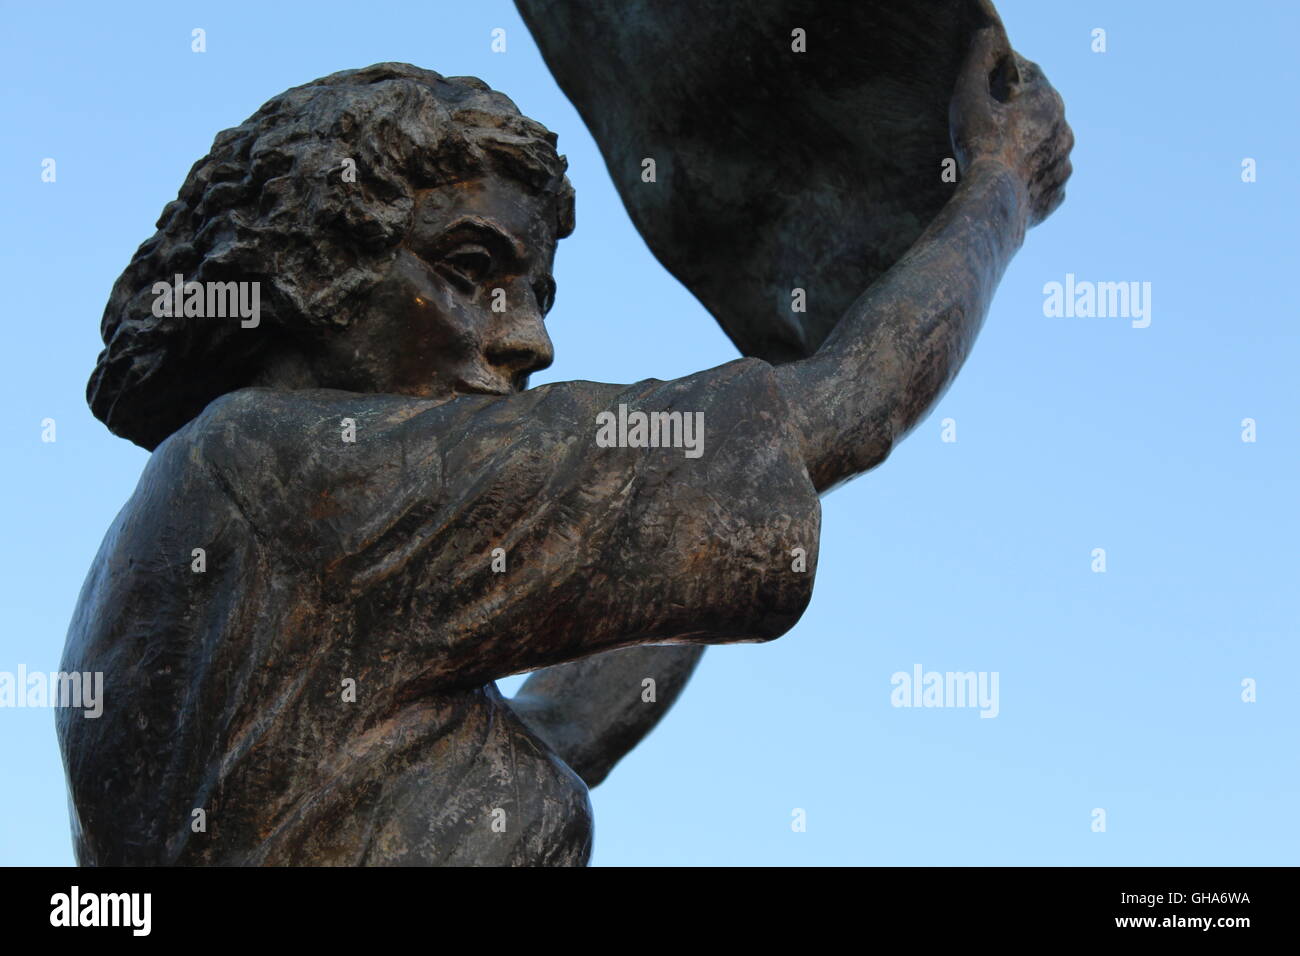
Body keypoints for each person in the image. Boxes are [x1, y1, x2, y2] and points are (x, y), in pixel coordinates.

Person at [59, 22, 1071, 866]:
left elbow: (557, 732)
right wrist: (1000, 182)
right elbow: (848, 406)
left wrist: (747, 474)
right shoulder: (282, 468)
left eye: (535, 295)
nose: (529, 338)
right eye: (469, 267)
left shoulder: (237, 526)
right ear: (311, 273)